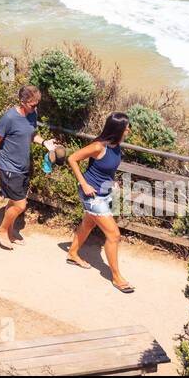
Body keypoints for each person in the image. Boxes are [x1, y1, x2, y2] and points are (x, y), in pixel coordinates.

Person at [64, 112, 134, 293]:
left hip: (105, 192)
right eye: (126, 126)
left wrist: (113, 182)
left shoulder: (117, 145)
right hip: (92, 195)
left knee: (88, 224)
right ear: (118, 129)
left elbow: (106, 169)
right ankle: (117, 277)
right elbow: (72, 159)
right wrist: (84, 183)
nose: (129, 129)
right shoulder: (98, 146)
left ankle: (72, 253)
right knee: (114, 235)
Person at [0, 85, 42, 250]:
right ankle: (2, 230)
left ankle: (10, 233)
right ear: (23, 102)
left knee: (14, 201)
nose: (36, 108)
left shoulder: (32, 114)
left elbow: (31, 134)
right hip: (8, 167)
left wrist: (45, 142)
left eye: (37, 104)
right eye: (33, 105)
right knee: (20, 205)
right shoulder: (9, 118)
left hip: (23, 167)